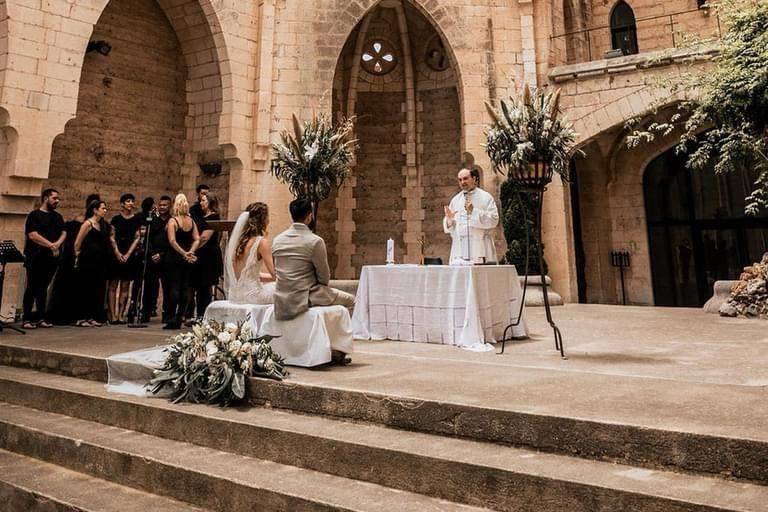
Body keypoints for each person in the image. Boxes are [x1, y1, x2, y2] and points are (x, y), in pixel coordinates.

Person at [272, 198, 355, 317]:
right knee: (352, 300)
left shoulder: (277, 240)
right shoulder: (315, 241)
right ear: (309, 216)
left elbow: (277, 269)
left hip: (281, 298)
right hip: (306, 296)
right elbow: (324, 278)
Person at [48, 193, 100, 324]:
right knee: (74, 288)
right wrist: (76, 255)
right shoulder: (80, 222)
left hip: (91, 261)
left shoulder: (98, 223)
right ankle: (73, 316)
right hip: (76, 259)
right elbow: (76, 242)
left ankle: (87, 316)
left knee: (87, 290)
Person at [21, 188, 66, 329]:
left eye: (58, 199)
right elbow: (33, 235)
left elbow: (64, 232)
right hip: (35, 257)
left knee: (43, 288)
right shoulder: (34, 215)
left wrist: (57, 244)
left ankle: (41, 317)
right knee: (32, 287)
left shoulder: (57, 217)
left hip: (51, 258)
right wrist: (50, 245)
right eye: (54, 198)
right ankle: (26, 319)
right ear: (46, 198)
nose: (57, 201)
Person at [443, 168, 499, 264]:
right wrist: (449, 220)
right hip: (459, 249)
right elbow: (449, 228)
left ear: (474, 179)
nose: (462, 182)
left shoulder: (486, 197)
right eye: (460, 180)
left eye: (465, 178)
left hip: (480, 247)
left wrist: (474, 212)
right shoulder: (455, 200)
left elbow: (494, 220)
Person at [223, 202, 276, 304]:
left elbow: (250, 274)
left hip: (235, 296)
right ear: (263, 220)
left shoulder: (237, 243)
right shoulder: (261, 242)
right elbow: (274, 275)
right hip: (253, 296)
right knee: (282, 292)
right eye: (268, 217)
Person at [163, 193, 200, 329]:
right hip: (187, 258)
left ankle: (171, 317)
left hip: (174, 257)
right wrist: (191, 251)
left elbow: (172, 241)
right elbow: (197, 238)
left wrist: (184, 253)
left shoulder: (173, 221)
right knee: (185, 288)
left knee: (173, 287)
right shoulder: (191, 221)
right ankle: (180, 316)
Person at [74, 200, 111, 327]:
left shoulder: (102, 225)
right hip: (87, 260)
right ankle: (81, 317)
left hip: (99, 261)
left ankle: (92, 316)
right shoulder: (87, 224)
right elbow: (78, 242)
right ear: (95, 210)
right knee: (85, 288)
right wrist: (77, 256)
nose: (105, 211)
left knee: (96, 289)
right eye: (103, 208)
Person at [107, 193, 142, 324]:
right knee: (113, 285)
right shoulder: (116, 219)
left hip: (129, 254)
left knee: (125, 286)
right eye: (128, 201)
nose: (131, 203)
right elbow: (112, 236)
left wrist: (128, 253)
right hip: (116, 253)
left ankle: (121, 314)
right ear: (122, 204)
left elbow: (137, 237)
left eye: (132, 201)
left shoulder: (136, 219)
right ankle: (113, 314)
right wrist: (117, 252)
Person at [191, 193, 224, 317]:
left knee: (205, 287)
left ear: (210, 202)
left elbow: (204, 238)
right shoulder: (202, 216)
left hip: (208, 256)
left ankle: (203, 315)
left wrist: (192, 250)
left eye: (203, 200)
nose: (201, 203)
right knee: (198, 286)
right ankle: (197, 314)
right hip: (200, 255)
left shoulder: (213, 217)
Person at [142, 195, 172, 323]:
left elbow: (171, 241)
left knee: (167, 287)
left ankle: (166, 313)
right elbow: (148, 239)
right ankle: (146, 312)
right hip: (152, 258)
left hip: (165, 258)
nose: (162, 207)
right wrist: (153, 253)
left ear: (169, 206)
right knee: (149, 287)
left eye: (165, 205)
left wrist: (161, 254)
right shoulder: (153, 220)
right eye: (160, 205)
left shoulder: (172, 221)